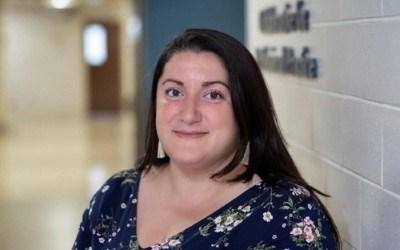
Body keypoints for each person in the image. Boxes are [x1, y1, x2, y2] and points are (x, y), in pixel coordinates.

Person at [73, 28, 341, 249]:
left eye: (213, 95)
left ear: (246, 110)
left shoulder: (289, 217)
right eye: (174, 92)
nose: (189, 114)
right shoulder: (117, 193)